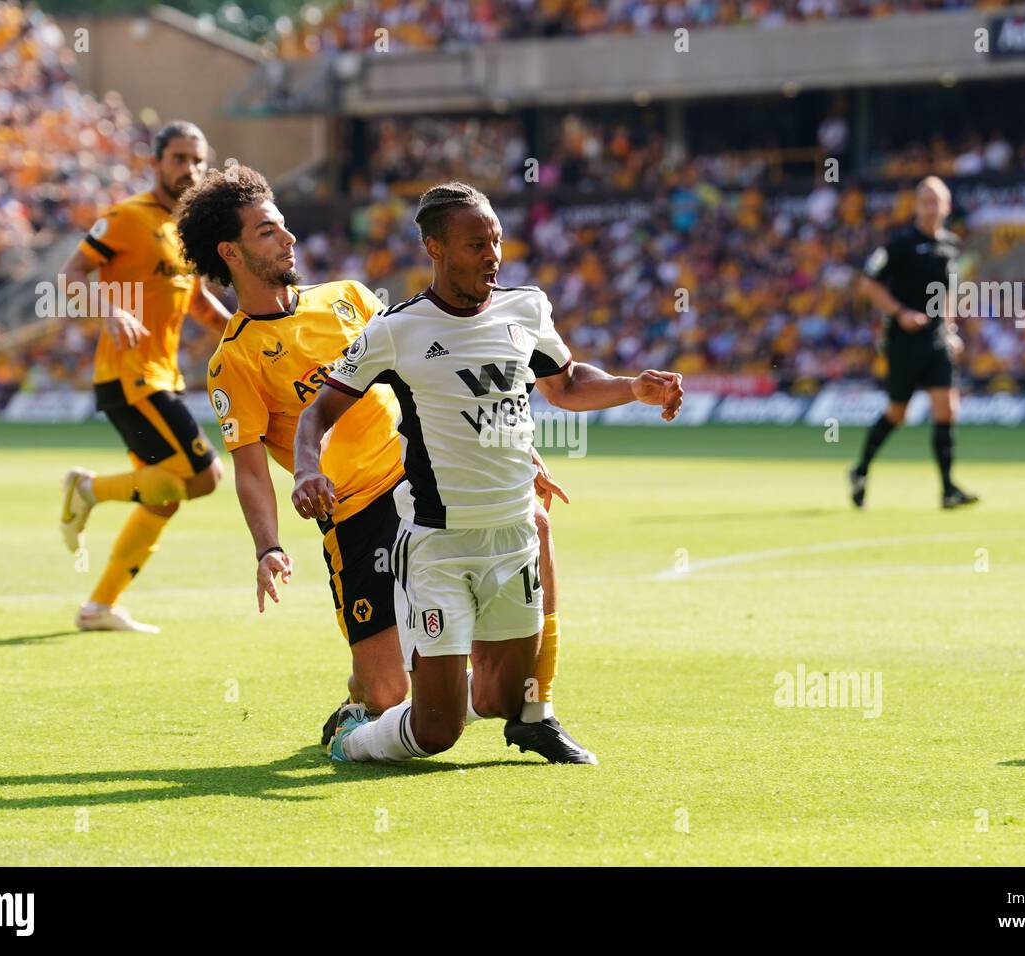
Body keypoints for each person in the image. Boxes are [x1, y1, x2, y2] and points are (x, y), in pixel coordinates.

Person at [178, 168, 597, 763]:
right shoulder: (235, 359)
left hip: (419, 477)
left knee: (534, 523)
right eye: (268, 231)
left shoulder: (347, 297)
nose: (290, 238)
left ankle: (535, 710)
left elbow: (433, 375)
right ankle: (371, 701)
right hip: (355, 515)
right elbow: (248, 465)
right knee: (389, 693)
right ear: (232, 251)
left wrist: (516, 450)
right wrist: (267, 547)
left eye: (283, 225)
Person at [291, 181, 683, 763]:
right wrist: (306, 470)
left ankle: (504, 715)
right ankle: (355, 741)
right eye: (476, 244)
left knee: (504, 697)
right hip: (439, 545)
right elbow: (319, 411)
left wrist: (633, 388)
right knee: (436, 734)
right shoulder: (398, 330)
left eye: (496, 240)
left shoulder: (527, 308)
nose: (493, 255)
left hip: (514, 537)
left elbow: (566, 384)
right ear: (435, 248)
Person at [57, 121, 232, 632]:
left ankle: (99, 607)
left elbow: (196, 300)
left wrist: (248, 334)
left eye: (198, 160)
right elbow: (70, 275)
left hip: (161, 376)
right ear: (155, 162)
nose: (189, 170)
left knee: (165, 496)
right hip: (130, 376)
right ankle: (87, 490)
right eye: (179, 158)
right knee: (204, 478)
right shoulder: (127, 217)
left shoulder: (189, 230)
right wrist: (109, 309)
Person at [849, 176, 978, 510]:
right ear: (917, 206)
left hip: (936, 341)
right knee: (897, 412)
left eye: (938, 201)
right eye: (926, 201)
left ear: (947, 207)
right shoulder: (900, 244)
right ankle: (861, 470)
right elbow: (867, 284)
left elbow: (947, 294)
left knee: (947, 407)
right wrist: (900, 311)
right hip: (903, 340)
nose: (932, 207)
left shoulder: (951, 245)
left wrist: (949, 330)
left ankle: (948, 488)